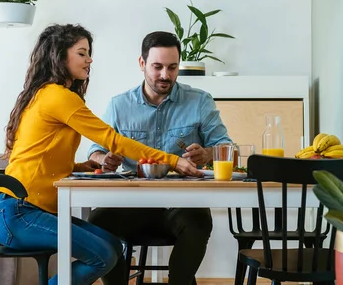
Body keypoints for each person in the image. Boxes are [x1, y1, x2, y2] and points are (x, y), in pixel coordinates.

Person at [0, 24, 202, 285]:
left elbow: (45, 160)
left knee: (113, 246)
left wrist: (84, 165)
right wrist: (174, 160)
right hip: (20, 212)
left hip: (30, 211)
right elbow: (112, 140)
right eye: (82, 53)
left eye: (89, 53)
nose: (89, 59)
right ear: (59, 56)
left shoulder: (50, 94)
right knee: (103, 254)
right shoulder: (58, 97)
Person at [86, 31, 233, 285]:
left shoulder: (199, 102)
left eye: (172, 67)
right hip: (131, 204)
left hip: (182, 205)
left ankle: (180, 281)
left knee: (199, 222)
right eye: (157, 67)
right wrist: (103, 159)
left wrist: (207, 154)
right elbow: (94, 151)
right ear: (142, 64)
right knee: (98, 221)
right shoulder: (119, 106)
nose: (165, 75)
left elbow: (227, 148)